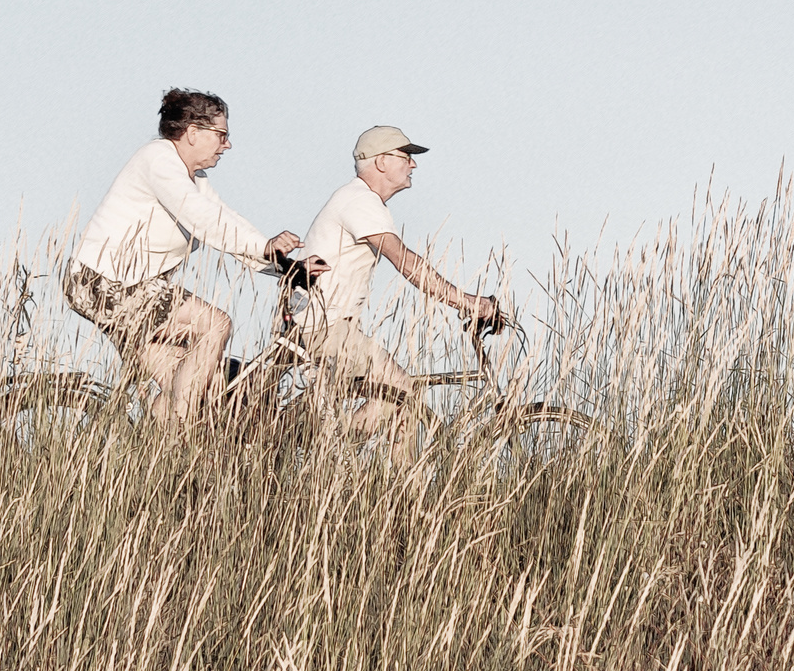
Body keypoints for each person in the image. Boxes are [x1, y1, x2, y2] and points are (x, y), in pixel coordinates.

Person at [65, 88, 318, 421]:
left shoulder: (194, 179)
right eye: (222, 135)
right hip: (107, 284)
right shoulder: (158, 159)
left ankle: (157, 450)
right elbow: (202, 219)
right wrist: (263, 246)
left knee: (199, 386)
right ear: (193, 132)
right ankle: (180, 425)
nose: (227, 145)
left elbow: (225, 219)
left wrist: (286, 267)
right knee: (216, 324)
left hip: (133, 289)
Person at [294, 125, 499, 455]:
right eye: (406, 157)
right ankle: (327, 460)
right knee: (401, 389)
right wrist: (469, 302)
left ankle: (401, 492)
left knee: (402, 399)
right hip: (324, 326)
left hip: (329, 324)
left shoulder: (360, 200)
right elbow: (405, 262)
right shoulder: (360, 201)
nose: (413, 165)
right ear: (380, 162)